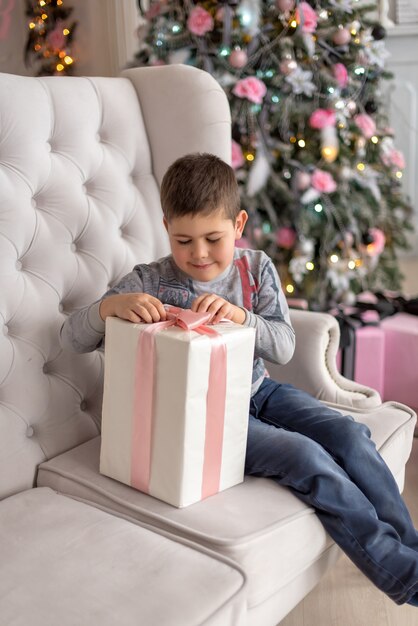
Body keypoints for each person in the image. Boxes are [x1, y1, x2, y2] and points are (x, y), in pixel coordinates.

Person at [61, 152, 418, 606]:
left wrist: (243, 318)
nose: (199, 254)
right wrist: (107, 308)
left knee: (349, 435)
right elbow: (71, 337)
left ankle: (410, 544)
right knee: (307, 457)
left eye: (213, 238)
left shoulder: (256, 269)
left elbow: (284, 346)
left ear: (239, 224)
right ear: (166, 225)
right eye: (183, 240)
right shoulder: (147, 280)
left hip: (260, 390)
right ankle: (405, 576)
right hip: (207, 420)